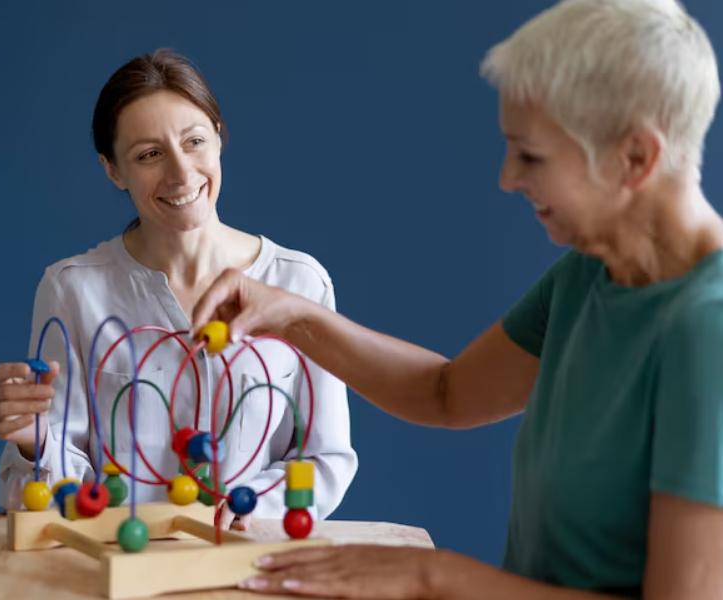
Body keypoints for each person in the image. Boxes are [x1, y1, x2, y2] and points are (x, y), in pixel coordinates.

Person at [193, 0, 723, 596]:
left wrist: (433, 574)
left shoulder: (707, 330)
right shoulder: (589, 274)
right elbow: (445, 393)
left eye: (531, 155)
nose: (507, 178)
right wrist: (288, 314)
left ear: (636, 157)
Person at [0, 49, 357, 529]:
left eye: (194, 141)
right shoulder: (72, 290)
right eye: (149, 155)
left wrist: (248, 507)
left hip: (251, 562)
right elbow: (43, 496)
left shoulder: (299, 282)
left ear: (218, 138)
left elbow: (325, 459)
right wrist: (33, 444)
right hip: (117, 565)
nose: (181, 174)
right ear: (113, 170)